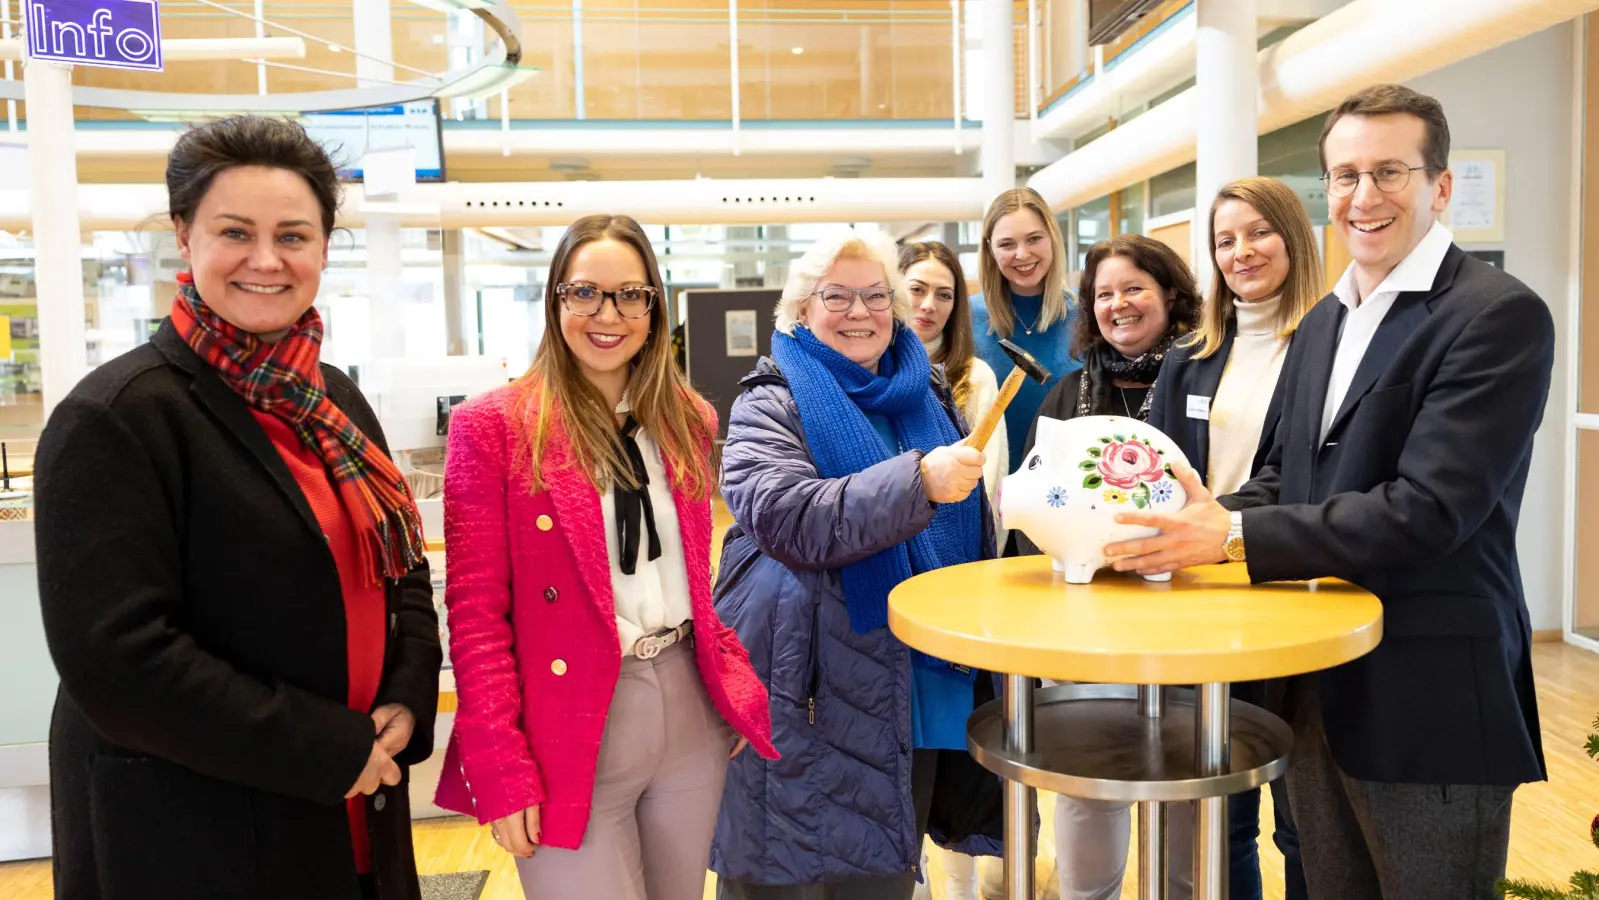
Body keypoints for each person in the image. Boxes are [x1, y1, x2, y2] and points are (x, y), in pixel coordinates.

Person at [1108, 84, 1553, 900]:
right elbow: (1287, 477)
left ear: (1439, 186)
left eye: (1389, 171)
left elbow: (1430, 510)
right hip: (1314, 682)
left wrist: (1232, 540)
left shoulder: (1496, 317)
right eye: (1344, 176)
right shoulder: (1325, 322)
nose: (1364, 196)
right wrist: (1204, 518)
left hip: (1426, 693)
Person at [32, 116, 441, 900]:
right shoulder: (118, 416)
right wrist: (327, 747)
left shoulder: (334, 398)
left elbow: (401, 566)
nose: (265, 259)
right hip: (199, 829)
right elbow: (120, 662)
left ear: (324, 246)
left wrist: (407, 692)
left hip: (354, 801)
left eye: (293, 234)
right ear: (184, 237)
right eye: (234, 232)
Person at [433, 214, 777, 900]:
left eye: (630, 295)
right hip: (570, 715)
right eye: (584, 292)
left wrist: (729, 675)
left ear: (654, 306)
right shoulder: (494, 428)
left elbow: (690, 576)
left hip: (687, 705)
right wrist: (498, 763)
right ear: (555, 299)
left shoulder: (685, 418)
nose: (607, 314)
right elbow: (474, 616)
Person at [710, 227, 1004, 899]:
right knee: (784, 875)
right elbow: (787, 515)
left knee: (881, 878)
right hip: (810, 689)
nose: (858, 312)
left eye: (875, 295)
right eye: (835, 296)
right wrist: (917, 483)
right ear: (800, 311)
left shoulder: (924, 394)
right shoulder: (770, 399)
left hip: (918, 681)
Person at [1148, 177, 1322, 900]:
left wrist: (1217, 525)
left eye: (1257, 232)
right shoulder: (1191, 352)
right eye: (1224, 240)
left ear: (1292, 236)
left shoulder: (1328, 343)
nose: (1241, 252)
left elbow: (1303, 478)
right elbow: (1155, 465)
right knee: (1217, 814)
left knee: (1303, 821)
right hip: (1202, 603)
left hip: (1294, 593)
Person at [1017, 233, 1202, 900]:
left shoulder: (1203, 378)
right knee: (1086, 785)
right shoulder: (1067, 398)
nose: (1117, 304)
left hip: (1188, 622)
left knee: (1186, 790)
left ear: (1170, 295)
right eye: (1103, 295)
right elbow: (1035, 510)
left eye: (1133, 289)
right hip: (1084, 630)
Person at [903, 239, 1008, 549]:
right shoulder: (868, 369)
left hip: (954, 552)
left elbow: (989, 483)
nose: (929, 305)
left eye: (944, 295)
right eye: (917, 289)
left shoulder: (975, 377)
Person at [971, 187, 1083, 475]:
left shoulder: (1089, 314)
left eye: (1034, 238)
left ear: (1052, 238)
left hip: (1065, 489)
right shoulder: (966, 318)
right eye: (1007, 244)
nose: (1022, 254)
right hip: (984, 486)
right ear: (990, 249)